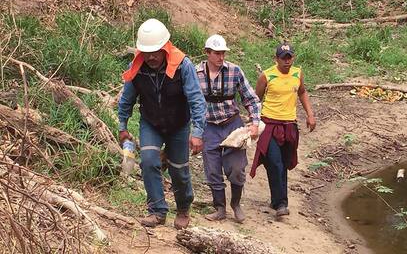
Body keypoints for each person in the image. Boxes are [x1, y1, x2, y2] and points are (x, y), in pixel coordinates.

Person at [118, 18, 207, 229]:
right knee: (148, 161)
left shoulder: (183, 66)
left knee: (179, 170)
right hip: (151, 123)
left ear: (165, 47)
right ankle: (157, 211)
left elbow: (196, 100)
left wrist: (197, 132)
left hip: (178, 124)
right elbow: (126, 99)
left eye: (156, 51)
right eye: (147, 52)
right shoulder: (137, 67)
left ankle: (183, 209)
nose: (151, 57)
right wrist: (122, 126)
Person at [196, 34, 261, 223]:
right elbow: (188, 102)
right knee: (212, 169)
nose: (221, 57)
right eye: (217, 53)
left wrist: (255, 123)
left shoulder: (234, 71)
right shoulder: (195, 73)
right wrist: (193, 132)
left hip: (232, 124)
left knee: (237, 167)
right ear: (207, 53)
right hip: (208, 125)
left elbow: (250, 98)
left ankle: (236, 203)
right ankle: (219, 207)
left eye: (223, 53)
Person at [250, 42, 316, 220]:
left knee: (284, 163)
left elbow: (302, 92)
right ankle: (281, 204)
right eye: (283, 58)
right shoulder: (267, 76)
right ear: (276, 59)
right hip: (269, 124)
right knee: (275, 162)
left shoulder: (297, 74)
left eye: (290, 57)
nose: (287, 61)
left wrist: (310, 114)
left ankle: (275, 200)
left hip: (289, 125)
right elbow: (256, 99)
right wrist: (254, 122)